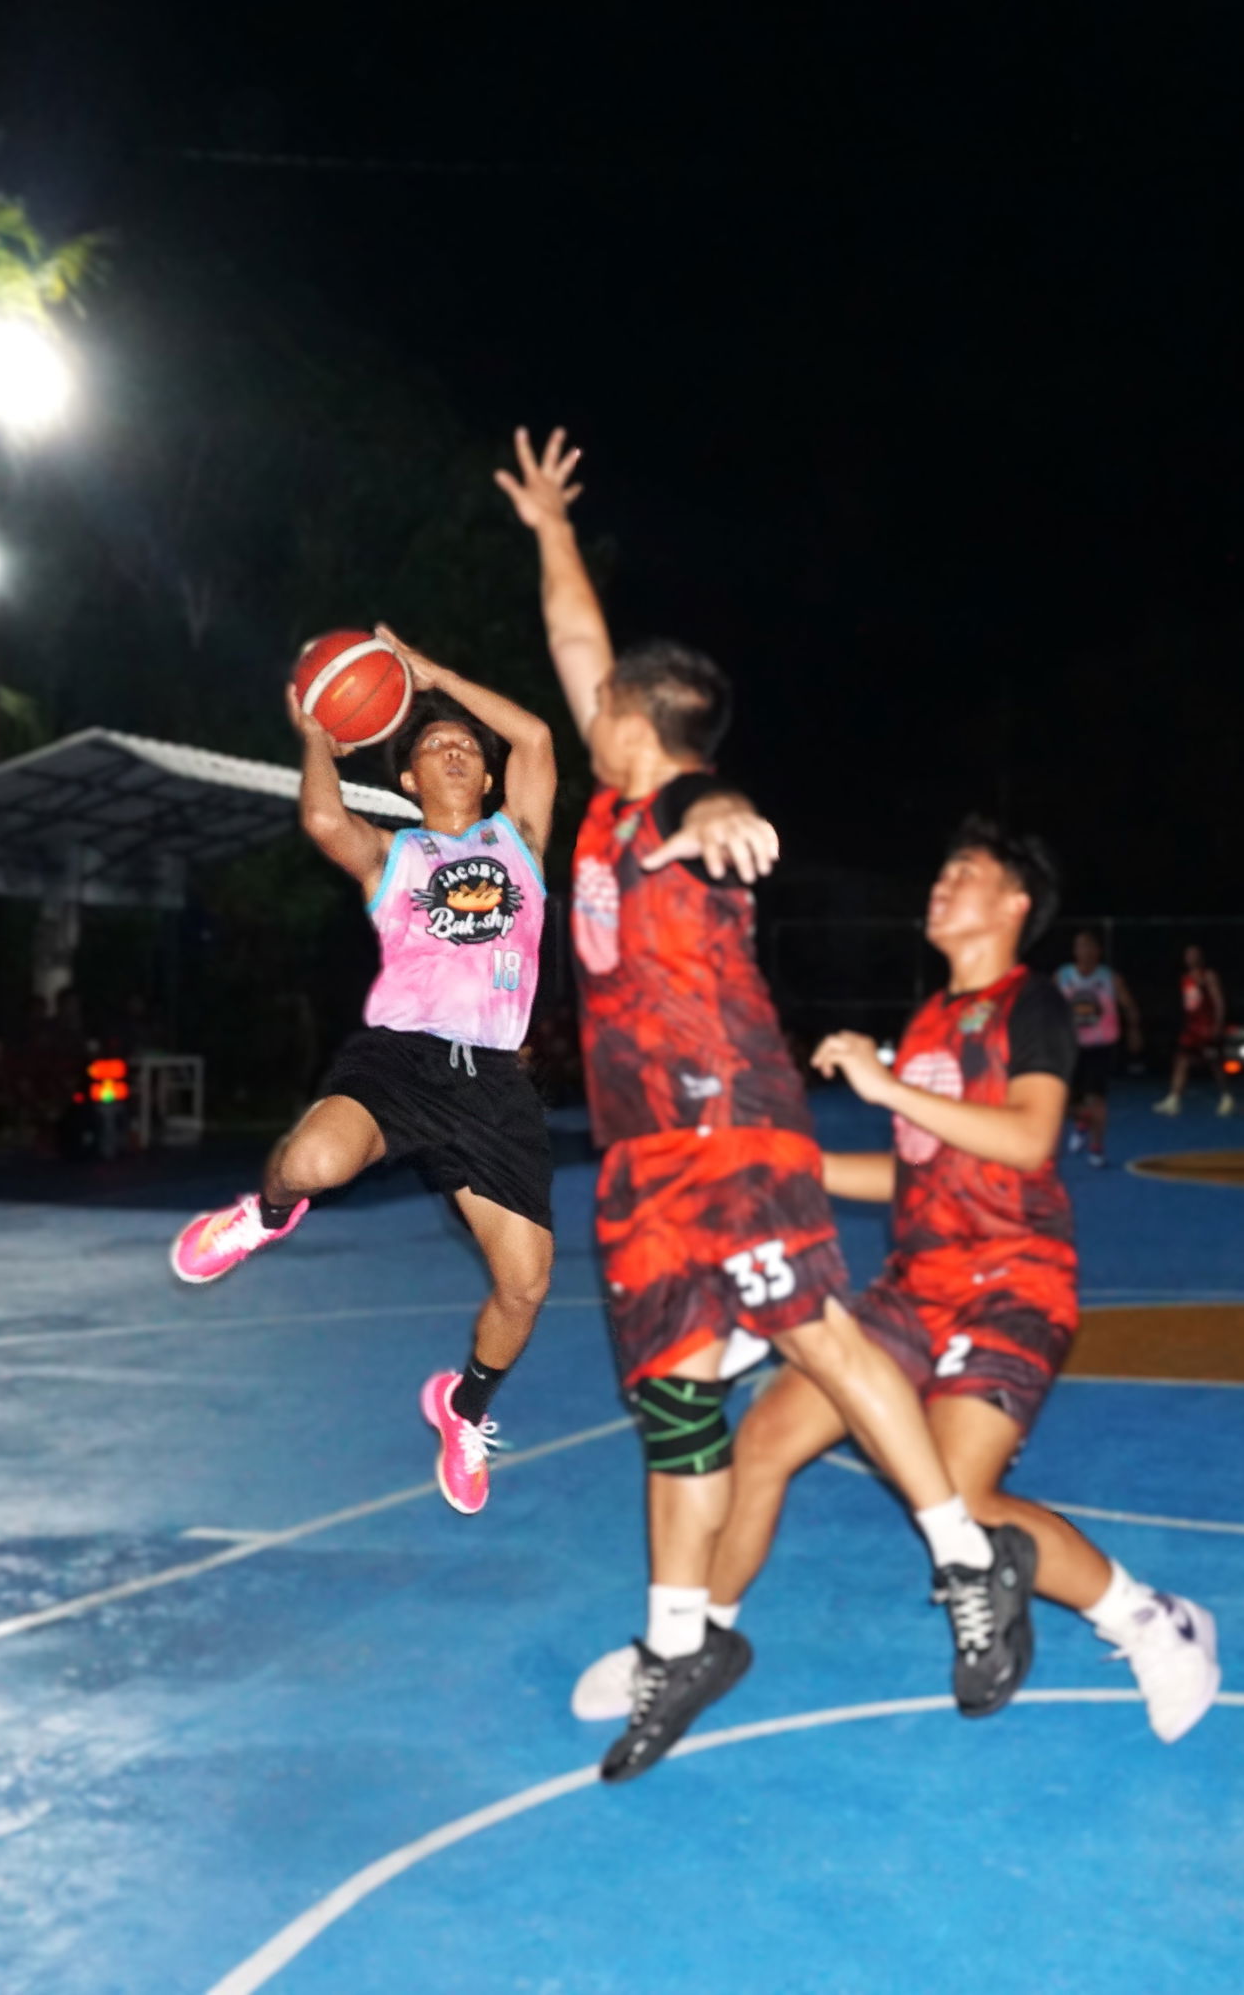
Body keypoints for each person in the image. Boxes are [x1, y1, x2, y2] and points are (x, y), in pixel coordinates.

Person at [499, 428, 1036, 1782]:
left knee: (814, 1333)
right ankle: (684, 1640)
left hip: (728, 1123)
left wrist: (728, 814)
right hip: (637, 1159)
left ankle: (971, 1565)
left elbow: (720, 801)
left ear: (635, 714)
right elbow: (576, 640)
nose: (586, 689)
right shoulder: (614, 805)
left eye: (601, 693)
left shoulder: (679, 802)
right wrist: (552, 527)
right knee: (675, 1407)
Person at [578, 819, 1221, 1746]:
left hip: (1012, 1278)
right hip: (915, 1282)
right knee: (763, 1441)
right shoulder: (927, 1022)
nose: (942, 882)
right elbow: (917, 1172)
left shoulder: (1029, 1004)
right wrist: (788, 1164)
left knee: (963, 1494)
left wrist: (883, 1090)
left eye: (966, 871)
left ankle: (1153, 1619)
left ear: (1015, 905)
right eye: (943, 866)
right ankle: (688, 1643)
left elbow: (1029, 1139)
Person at [170, 625, 557, 1517]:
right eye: (432, 746)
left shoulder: (523, 844)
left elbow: (535, 736)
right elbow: (319, 818)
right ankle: (260, 1216)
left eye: (465, 744)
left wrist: (434, 674)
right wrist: (315, 734)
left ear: (488, 778)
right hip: (400, 1059)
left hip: (496, 1083)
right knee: (311, 1166)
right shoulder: (395, 856)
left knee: (526, 1285)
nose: (453, 747)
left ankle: (463, 1409)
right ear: (408, 782)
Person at [1055, 929, 1143, 1166]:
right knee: (1060, 1102)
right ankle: (1082, 1118)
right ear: (1074, 951)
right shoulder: (1063, 976)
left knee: (1097, 1098)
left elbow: (1129, 1006)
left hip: (1100, 1045)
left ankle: (1096, 1148)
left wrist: (1134, 1031)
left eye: (1088, 946)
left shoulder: (1109, 978)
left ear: (1097, 951)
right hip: (1070, 1046)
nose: (1083, 951)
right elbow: (1048, 1007)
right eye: (1079, 946)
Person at [1155, 943, 1232, 1116]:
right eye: (1187, 955)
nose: (1190, 958)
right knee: (1181, 1060)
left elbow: (1218, 1000)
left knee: (1214, 1063)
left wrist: (1218, 1024)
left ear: (1200, 957)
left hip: (1207, 1027)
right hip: (1192, 1028)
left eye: (1193, 954)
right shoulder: (1185, 978)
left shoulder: (1208, 976)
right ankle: (1174, 1099)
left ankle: (1226, 1096)